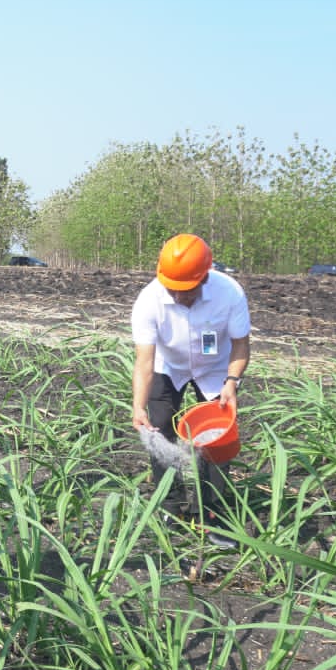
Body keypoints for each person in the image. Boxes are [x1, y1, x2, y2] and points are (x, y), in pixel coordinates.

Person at [130, 233, 250, 550]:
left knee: (216, 440)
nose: (179, 297)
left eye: (187, 290)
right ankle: (169, 509)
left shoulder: (229, 294)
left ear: (204, 277)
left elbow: (240, 346)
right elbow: (144, 361)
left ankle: (210, 515)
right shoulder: (148, 301)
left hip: (216, 371)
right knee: (159, 428)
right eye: (173, 290)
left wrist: (232, 382)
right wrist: (138, 407)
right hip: (170, 368)